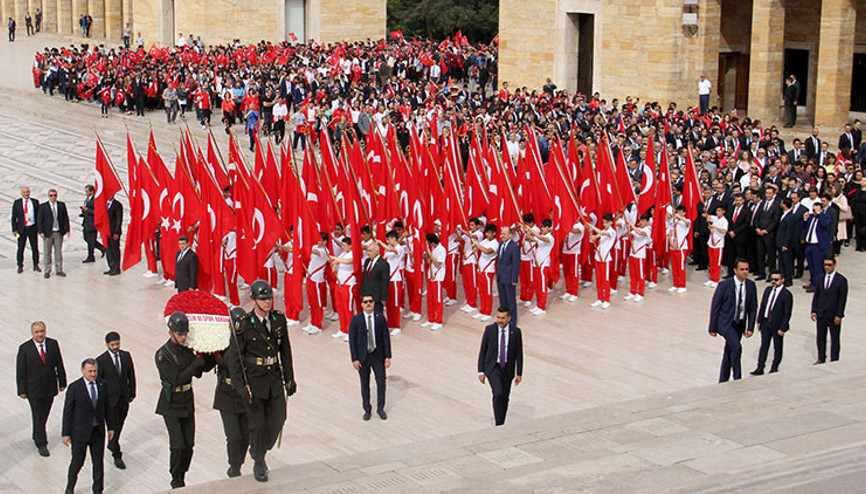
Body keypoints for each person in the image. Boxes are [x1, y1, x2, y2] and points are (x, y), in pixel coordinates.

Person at [227, 280, 296, 482]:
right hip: (254, 382)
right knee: (258, 424)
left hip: (274, 379)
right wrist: (241, 387)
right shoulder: (245, 325)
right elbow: (235, 358)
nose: (267, 302)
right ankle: (259, 460)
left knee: (278, 419)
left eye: (269, 298)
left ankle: (259, 449)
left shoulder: (278, 320)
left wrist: (289, 378)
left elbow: (286, 350)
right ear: (253, 300)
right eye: (262, 299)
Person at [155, 311, 214, 489]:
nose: (183, 337)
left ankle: (182, 473)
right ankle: (175, 477)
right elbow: (176, 378)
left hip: (187, 401)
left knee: (189, 445)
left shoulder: (188, 350)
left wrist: (208, 356)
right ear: (170, 332)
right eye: (180, 334)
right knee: (178, 445)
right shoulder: (162, 354)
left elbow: (200, 372)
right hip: (171, 403)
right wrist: (195, 363)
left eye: (185, 333)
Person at [62, 358, 115, 494]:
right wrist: (66, 433)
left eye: (95, 371)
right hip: (80, 432)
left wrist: (111, 427)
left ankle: (98, 490)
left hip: (97, 431)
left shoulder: (103, 384)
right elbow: (68, 411)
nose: (93, 374)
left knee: (98, 463)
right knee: (77, 462)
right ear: (83, 371)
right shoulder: (75, 388)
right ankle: (70, 488)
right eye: (90, 371)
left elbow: (107, 407)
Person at [17, 321, 67, 457]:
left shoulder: (52, 344)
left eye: (42, 331)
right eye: (37, 332)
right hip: (33, 389)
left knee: (44, 413)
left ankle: (36, 433)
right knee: (38, 415)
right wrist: (21, 390)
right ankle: (41, 442)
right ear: (32, 333)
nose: (40, 334)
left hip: (49, 387)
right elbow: (21, 371)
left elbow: (59, 363)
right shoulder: (25, 348)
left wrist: (62, 382)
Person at [213, 307, 250, 478]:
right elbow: (208, 364)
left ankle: (238, 463)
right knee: (234, 436)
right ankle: (233, 467)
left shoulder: (250, 342)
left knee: (246, 436)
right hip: (227, 393)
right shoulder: (221, 342)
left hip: (244, 393)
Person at [708, 258, 758, 383]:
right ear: (735, 270)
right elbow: (715, 306)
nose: (745, 272)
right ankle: (737, 378)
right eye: (742, 269)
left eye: (746, 269)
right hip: (726, 322)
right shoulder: (725, 285)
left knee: (729, 350)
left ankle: (723, 379)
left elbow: (752, 308)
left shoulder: (751, 286)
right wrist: (712, 328)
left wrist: (750, 327)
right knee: (736, 347)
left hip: (739, 323)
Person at [477, 306, 523, 426]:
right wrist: (481, 371)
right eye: (498, 317)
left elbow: (519, 353)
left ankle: (501, 421)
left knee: (505, 397)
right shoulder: (489, 330)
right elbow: (483, 350)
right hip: (493, 367)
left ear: (509, 318)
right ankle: (499, 424)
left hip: (508, 369)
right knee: (498, 393)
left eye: (503, 318)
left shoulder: (516, 332)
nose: (500, 320)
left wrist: (519, 373)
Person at [96, 331, 136, 469]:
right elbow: (99, 382)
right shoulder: (101, 361)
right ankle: (115, 451)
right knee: (113, 425)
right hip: (110, 400)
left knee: (121, 422)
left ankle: (112, 443)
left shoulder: (126, 356)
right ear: (107, 345)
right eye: (112, 344)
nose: (115, 346)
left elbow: (131, 374)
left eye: (117, 343)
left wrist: (132, 393)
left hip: (123, 397)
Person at [349, 293, 392, 421]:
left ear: (374, 303)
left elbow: (385, 338)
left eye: (370, 301)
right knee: (364, 384)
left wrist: (388, 356)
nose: (368, 304)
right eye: (365, 302)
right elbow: (352, 341)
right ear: (361, 305)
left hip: (377, 356)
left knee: (381, 382)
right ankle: (367, 409)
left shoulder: (380, 318)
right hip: (363, 357)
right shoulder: (356, 320)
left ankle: (380, 408)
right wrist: (354, 359)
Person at [750, 270, 792, 375]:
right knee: (764, 345)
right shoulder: (768, 290)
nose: (773, 281)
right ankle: (760, 367)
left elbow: (787, 313)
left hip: (777, 325)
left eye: (776, 280)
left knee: (777, 347)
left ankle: (774, 367)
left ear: (782, 280)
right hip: (765, 323)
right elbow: (763, 305)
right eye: (772, 279)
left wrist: (783, 327)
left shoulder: (786, 294)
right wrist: (759, 320)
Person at [811, 256, 848, 364]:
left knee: (835, 338)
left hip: (833, 314)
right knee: (820, 337)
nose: (827, 267)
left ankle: (834, 359)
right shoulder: (820, 278)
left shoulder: (841, 280)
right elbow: (816, 295)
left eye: (829, 265)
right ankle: (821, 358)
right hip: (821, 313)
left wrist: (839, 315)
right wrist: (814, 310)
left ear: (834, 265)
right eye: (825, 265)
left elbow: (842, 299)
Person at [37, 188, 70, 278]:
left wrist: (67, 229)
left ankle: (59, 269)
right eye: (51, 195)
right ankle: (47, 270)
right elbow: (40, 220)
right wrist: (41, 231)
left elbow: (65, 218)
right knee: (47, 252)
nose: (53, 197)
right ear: (48, 196)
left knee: (58, 252)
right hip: (48, 232)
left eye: (55, 195)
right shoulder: (43, 206)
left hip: (58, 232)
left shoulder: (61, 205)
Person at [802, 201, 832, 292]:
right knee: (811, 265)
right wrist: (804, 220)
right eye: (813, 210)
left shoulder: (825, 217)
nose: (814, 212)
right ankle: (812, 281)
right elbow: (803, 227)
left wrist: (820, 214)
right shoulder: (811, 217)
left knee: (817, 266)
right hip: (809, 244)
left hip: (818, 245)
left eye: (816, 210)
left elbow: (825, 224)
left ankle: (816, 285)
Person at [12, 186, 40, 273]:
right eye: (24, 192)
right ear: (21, 193)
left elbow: (38, 216)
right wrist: (14, 229)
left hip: (32, 228)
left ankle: (36, 264)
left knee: (34, 247)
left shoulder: (35, 202)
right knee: (21, 247)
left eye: (27, 192)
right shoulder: (17, 203)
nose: (26, 194)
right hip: (22, 229)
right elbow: (14, 217)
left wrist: (39, 228)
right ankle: (20, 265)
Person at [496, 225, 520, 323]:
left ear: (510, 235)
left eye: (505, 234)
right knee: (502, 299)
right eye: (501, 234)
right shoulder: (501, 243)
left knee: (510, 300)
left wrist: (514, 279)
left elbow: (516, 264)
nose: (502, 236)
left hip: (509, 277)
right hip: (500, 276)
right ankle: (503, 318)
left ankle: (512, 320)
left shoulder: (514, 247)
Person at [422, 233, 446, 330]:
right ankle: (431, 319)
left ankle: (439, 321)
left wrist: (430, 255)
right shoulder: (432, 249)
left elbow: (438, 263)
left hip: (438, 277)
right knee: (430, 299)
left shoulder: (441, 250)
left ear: (432, 242)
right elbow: (425, 257)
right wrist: (427, 254)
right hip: (430, 276)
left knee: (438, 300)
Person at [360, 240, 389, 314]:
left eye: (370, 251)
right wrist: (362, 293)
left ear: (377, 252)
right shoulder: (367, 261)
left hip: (377, 297)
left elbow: (385, 282)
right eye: (367, 251)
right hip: (367, 295)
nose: (368, 253)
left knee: (377, 316)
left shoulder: (383, 264)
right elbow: (365, 278)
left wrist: (383, 298)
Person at [80, 184, 105, 262]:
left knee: (91, 240)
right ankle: (102, 248)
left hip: (93, 223)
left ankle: (91, 256)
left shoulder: (95, 200)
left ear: (92, 191)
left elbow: (98, 212)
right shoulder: (87, 199)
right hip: (86, 222)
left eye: (87, 191)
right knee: (86, 238)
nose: (86, 193)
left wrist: (87, 210)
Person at [105, 194, 122, 275]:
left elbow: (119, 220)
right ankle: (111, 266)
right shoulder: (104, 204)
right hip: (106, 231)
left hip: (114, 231)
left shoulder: (117, 205)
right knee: (108, 250)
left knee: (114, 249)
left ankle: (116, 268)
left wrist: (117, 232)